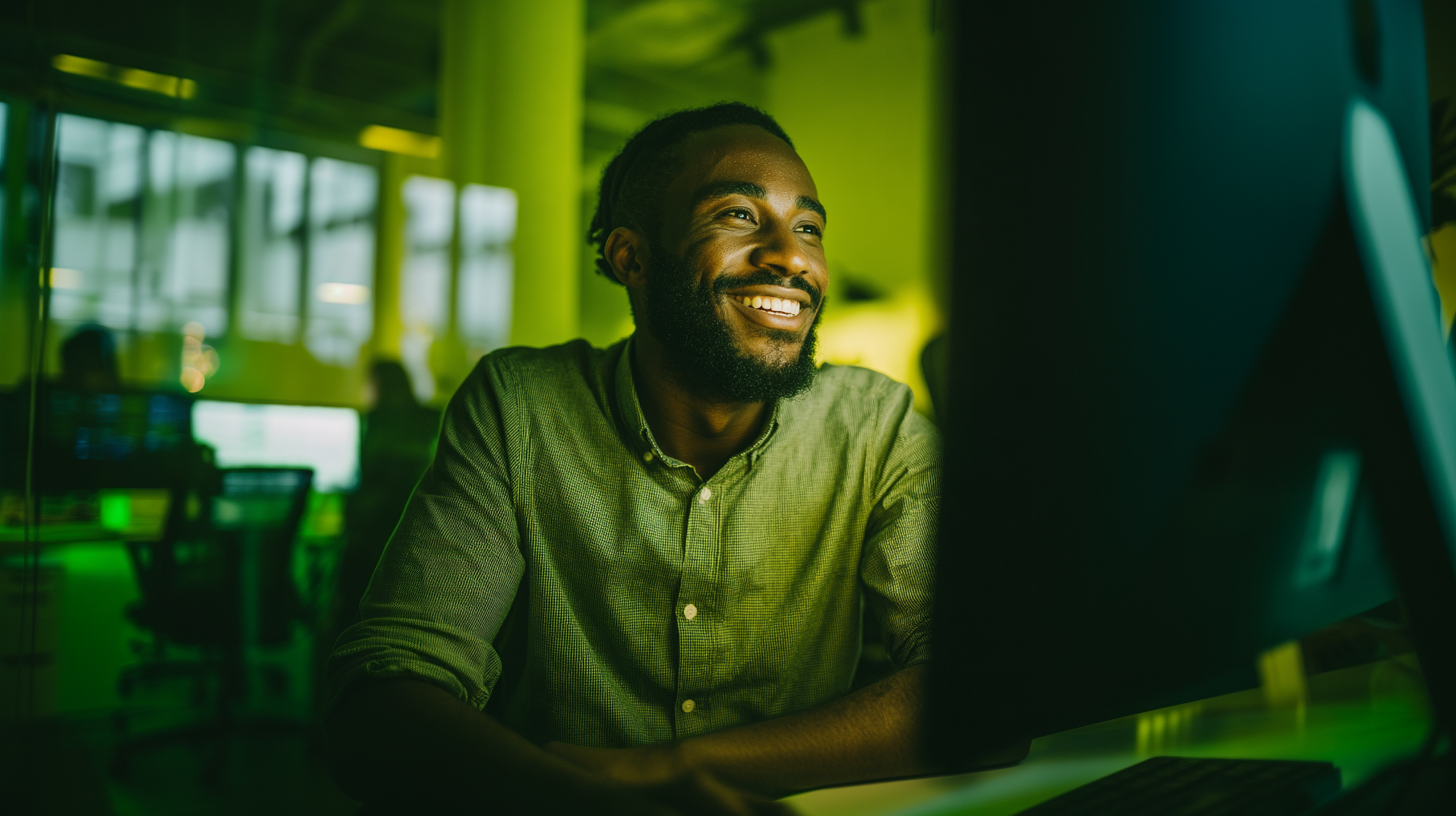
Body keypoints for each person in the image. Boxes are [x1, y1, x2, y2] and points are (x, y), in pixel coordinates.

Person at [325, 103, 941, 814]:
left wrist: (663, 768)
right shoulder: (521, 405)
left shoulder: (877, 427)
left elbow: (987, 689)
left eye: (809, 228)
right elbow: (379, 702)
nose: (793, 257)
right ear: (631, 258)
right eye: (739, 215)